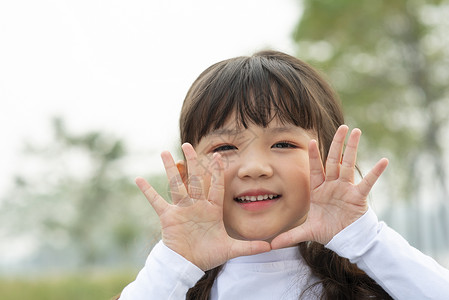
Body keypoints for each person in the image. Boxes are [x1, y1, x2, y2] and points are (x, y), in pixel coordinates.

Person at [118, 50, 449, 299]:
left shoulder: (375, 283)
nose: (255, 168)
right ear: (187, 174)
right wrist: (176, 260)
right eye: (224, 148)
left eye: (283, 143)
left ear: (335, 158)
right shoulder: (170, 286)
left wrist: (367, 239)